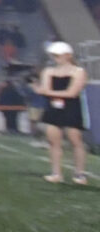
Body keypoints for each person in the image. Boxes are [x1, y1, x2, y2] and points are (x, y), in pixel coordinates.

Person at [35, 41, 88, 184]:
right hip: (53, 107)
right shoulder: (49, 71)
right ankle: (56, 173)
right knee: (53, 141)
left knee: (75, 140)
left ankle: (80, 173)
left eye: (58, 55)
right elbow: (45, 88)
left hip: (71, 108)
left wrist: (48, 92)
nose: (55, 58)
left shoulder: (78, 71)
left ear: (68, 56)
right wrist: (47, 91)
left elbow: (72, 93)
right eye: (54, 56)